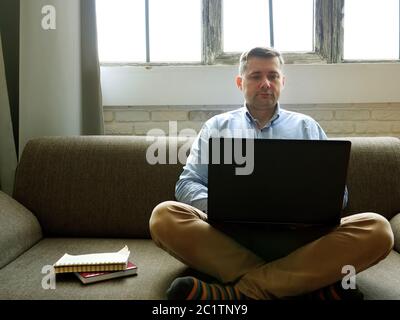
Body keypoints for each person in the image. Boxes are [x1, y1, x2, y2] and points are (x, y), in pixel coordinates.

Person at [149, 47, 394, 300]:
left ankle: (238, 293)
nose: (265, 83)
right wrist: (223, 208)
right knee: (163, 217)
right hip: (229, 239)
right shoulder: (216, 127)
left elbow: (338, 195)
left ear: (282, 82)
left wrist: (308, 211)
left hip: (298, 240)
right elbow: (188, 183)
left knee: (378, 229)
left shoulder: (307, 127)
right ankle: (304, 286)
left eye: (273, 76)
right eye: (256, 76)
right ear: (240, 82)